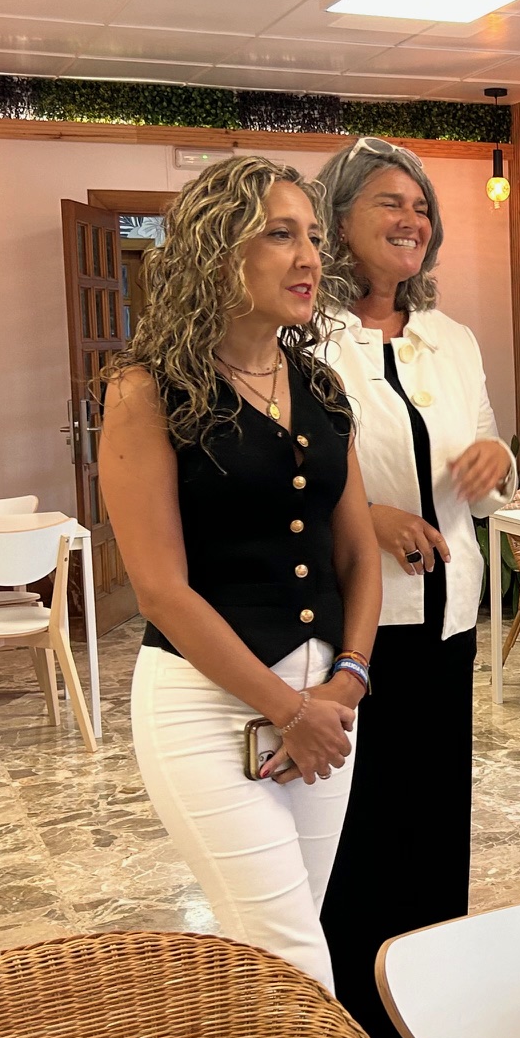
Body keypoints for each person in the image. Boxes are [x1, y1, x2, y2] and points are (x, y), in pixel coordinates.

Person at [101, 154, 381, 995]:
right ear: (219, 251)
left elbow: (357, 552)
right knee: (293, 959)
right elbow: (160, 590)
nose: (309, 259)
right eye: (280, 235)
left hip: (326, 703)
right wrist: (288, 710)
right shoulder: (147, 392)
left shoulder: (321, 386)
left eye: (314, 238)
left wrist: (348, 680)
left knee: (281, 950)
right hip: (204, 704)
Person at [315, 136, 515, 1038]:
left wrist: (497, 457)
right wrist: (367, 514)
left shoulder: (453, 339)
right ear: (338, 220)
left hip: (448, 621)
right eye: (389, 203)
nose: (412, 220)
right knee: (360, 839)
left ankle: (435, 1021)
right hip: (354, 630)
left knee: (437, 830)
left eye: (423, 207)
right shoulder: (305, 340)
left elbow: (484, 451)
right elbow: (292, 479)